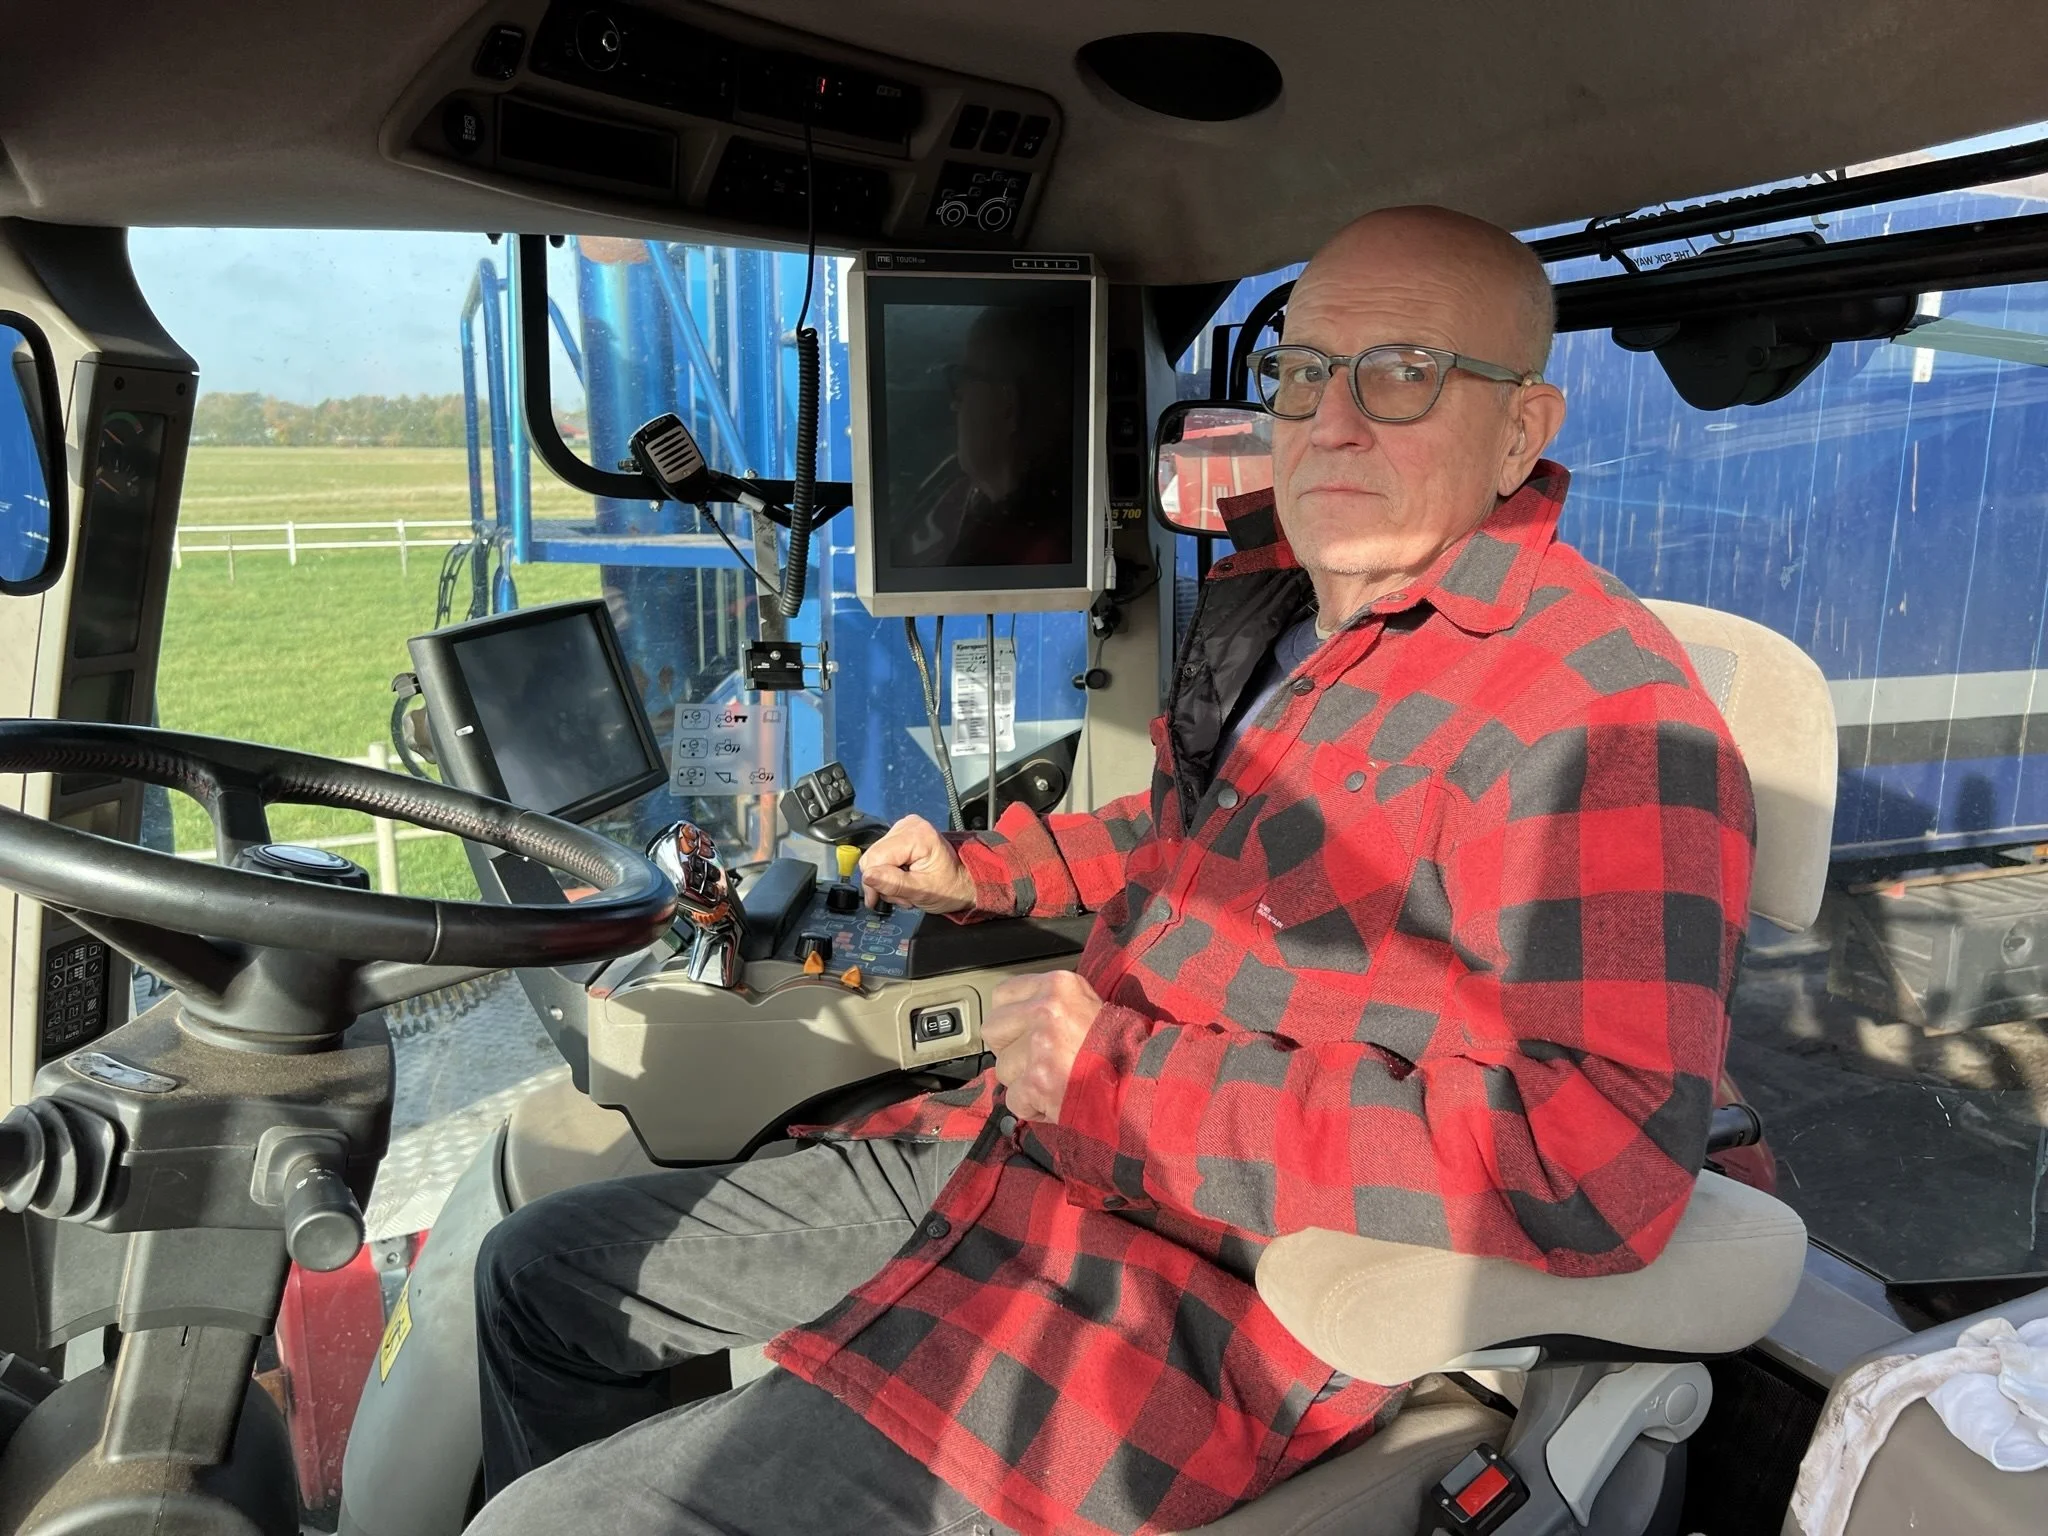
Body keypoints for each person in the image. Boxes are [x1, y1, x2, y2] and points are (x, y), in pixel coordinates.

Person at [468, 205, 1755, 1536]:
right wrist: (980, 870)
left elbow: (1594, 1164)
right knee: (540, 1272)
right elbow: (1188, 841)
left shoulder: (1602, 721)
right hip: (1024, 1151)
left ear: (1520, 432)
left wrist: (1129, 1083)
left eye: (1403, 374)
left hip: (1185, 1288)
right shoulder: (1288, 616)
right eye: (1303, 374)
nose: (1333, 423)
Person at [891, 303, 1077, 569]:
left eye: (964, 379)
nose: (955, 403)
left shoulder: (1032, 554)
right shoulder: (954, 478)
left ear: (1007, 405)